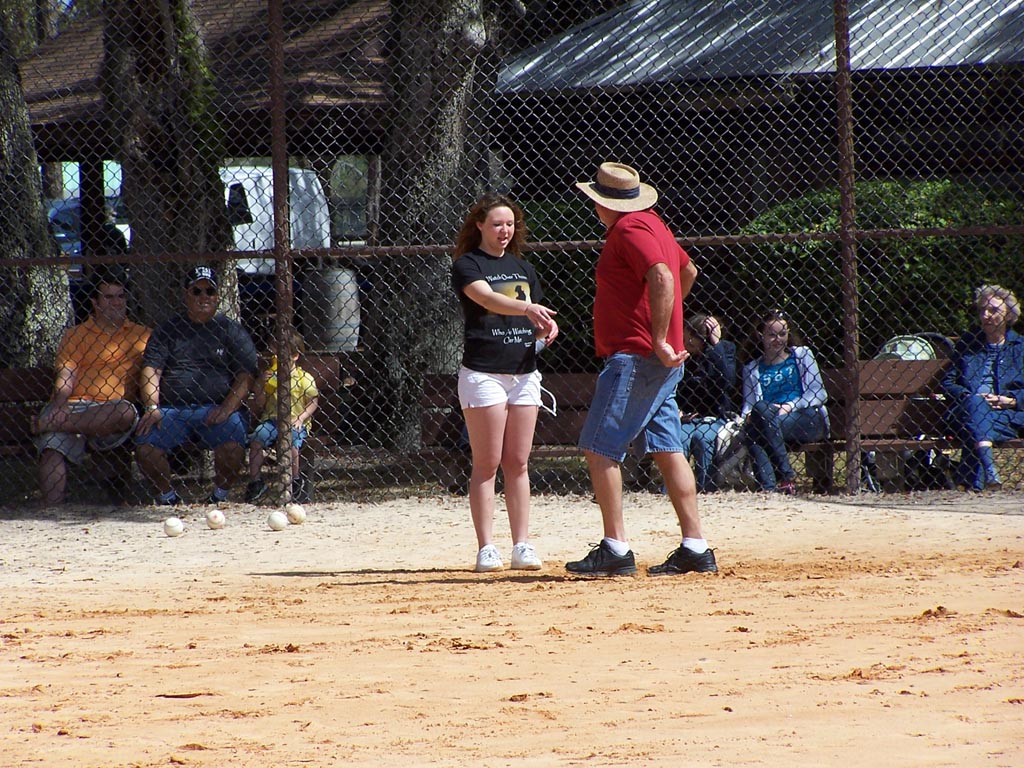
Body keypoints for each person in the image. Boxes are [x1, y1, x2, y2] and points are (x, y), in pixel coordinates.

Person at [566, 161, 717, 577]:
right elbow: (687, 270)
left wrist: (660, 337)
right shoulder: (653, 224)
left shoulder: (628, 229)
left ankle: (615, 549)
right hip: (655, 364)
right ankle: (695, 547)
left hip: (636, 358)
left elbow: (664, 277)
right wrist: (665, 322)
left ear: (605, 203)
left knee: (600, 448)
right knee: (668, 449)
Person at [451, 193, 559, 572]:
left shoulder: (523, 267)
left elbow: (537, 318)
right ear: (480, 225)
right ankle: (486, 548)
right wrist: (527, 308)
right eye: (497, 224)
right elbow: (486, 299)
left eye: (510, 224)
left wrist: (546, 327)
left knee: (518, 462)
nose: (504, 230)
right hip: (484, 373)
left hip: (524, 372)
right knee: (488, 463)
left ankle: (522, 545)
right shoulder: (468, 264)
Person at [135, 265, 259, 505]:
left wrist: (227, 408)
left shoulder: (230, 330)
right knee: (145, 445)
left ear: (217, 296)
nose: (204, 297)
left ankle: (219, 497)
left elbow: (246, 375)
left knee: (233, 442)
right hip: (171, 410)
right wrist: (152, 407)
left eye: (210, 291)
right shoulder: (168, 330)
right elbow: (151, 370)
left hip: (216, 408)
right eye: (197, 291)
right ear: (186, 295)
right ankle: (168, 498)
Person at [33, 267, 150, 504]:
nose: (116, 302)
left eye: (121, 296)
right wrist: (60, 404)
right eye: (109, 297)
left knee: (126, 412)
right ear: (95, 302)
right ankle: (52, 512)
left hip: (111, 411)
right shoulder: (76, 335)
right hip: (73, 406)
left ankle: (50, 424)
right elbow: (66, 373)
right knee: (52, 447)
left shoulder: (143, 335)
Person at [942, 284, 1024, 491]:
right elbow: (948, 383)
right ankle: (989, 470)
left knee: (976, 425)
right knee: (976, 406)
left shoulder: (1021, 347)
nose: (985, 315)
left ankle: (972, 484)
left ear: (1008, 315)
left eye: (993, 310)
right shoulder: (967, 345)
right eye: (982, 310)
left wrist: (1011, 400)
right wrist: (969, 396)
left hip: (1005, 413)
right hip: (965, 409)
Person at [739, 309, 829, 494]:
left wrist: (790, 406)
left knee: (757, 427)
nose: (778, 339)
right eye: (772, 335)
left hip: (806, 416)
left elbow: (819, 394)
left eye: (782, 334)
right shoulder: (752, 369)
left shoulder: (802, 355)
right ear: (760, 335)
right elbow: (749, 405)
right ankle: (772, 487)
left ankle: (780, 477)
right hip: (770, 419)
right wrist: (748, 415)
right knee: (757, 420)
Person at [246, 330, 319, 504]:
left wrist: (301, 418)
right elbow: (260, 401)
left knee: (291, 442)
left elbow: (313, 401)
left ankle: (295, 480)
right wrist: (261, 384)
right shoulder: (271, 377)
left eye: (281, 355)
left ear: (294, 356)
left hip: (294, 421)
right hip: (272, 420)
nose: (276, 359)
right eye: (274, 355)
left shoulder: (304, 378)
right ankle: (256, 482)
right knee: (256, 439)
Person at [676, 312, 738, 493]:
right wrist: (677, 409)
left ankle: (707, 489)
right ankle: (676, 489)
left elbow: (728, 382)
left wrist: (716, 345)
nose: (685, 344)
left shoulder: (725, 350)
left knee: (702, 439)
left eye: (690, 341)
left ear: (703, 340)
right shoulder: (684, 357)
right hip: (687, 416)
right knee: (680, 439)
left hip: (715, 416)